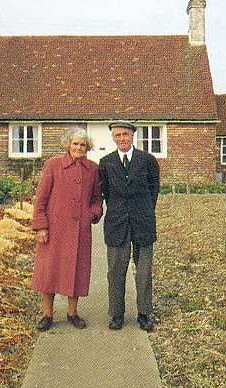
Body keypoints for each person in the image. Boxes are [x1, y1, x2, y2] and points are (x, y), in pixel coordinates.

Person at [30, 128, 103, 331]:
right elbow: (41, 198)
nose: (79, 147)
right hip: (54, 230)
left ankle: (72, 313)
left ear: (87, 147)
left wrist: (93, 214)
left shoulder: (93, 169)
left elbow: (97, 198)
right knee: (49, 271)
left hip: (81, 230)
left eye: (83, 145)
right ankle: (47, 315)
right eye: (75, 144)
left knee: (77, 271)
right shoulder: (53, 165)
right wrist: (41, 226)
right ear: (67, 145)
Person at [98, 120, 160, 331]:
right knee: (115, 270)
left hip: (143, 222)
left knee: (144, 270)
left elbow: (154, 190)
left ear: (133, 135)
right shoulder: (106, 163)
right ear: (113, 138)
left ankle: (144, 313)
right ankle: (116, 314)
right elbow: (105, 192)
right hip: (117, 224)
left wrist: (143, 211)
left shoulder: (148, 160)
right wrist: (119, 211)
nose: (122, 139)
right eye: (117, 135)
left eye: (125, 134)